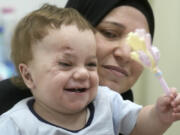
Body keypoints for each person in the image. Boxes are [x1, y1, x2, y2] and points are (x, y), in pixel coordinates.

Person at [1, 4, 180, 135]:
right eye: (65, 64)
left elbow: (139, 126)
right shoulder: (14, 124)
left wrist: (159, 115)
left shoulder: (107, 102)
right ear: (28, 75)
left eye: (91, 64)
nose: (82, 73)